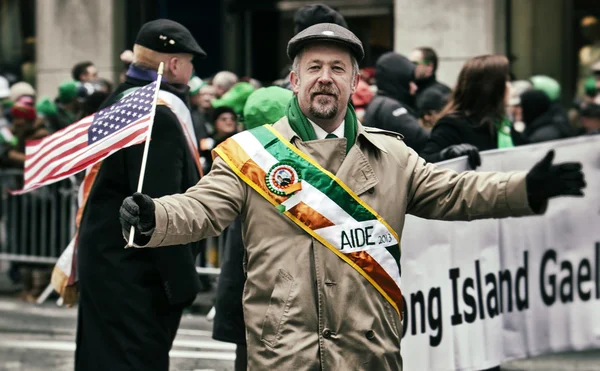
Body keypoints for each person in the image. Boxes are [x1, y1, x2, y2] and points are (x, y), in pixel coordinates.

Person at [119, 24, 586, 370]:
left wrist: (525, 188)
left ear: (354, 82)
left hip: (368, 352)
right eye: (314, 68)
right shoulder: (250, 155)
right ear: (294, 81)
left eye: (337, 69)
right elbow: (201, 208)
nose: (325, 77)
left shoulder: (393, 156)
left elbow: (456, 191)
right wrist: (154, 216)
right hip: (284, 352)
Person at [74, 19, 207, 371]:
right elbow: (157, 208)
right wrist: (181, 283)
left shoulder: (119, 100)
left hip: (106, 263)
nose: (193, 70)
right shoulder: (155, 114)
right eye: (190, 62)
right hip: (135, 275)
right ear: (175, 64)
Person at [420, 55, 517, 169]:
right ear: (491, 88)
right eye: (506, 81)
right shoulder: (452, 125)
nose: (510, 87)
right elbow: (425, 164)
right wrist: (447, 154)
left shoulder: (502, 125)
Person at [363, 51, 429, 152]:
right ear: (399, 81)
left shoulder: (380, 102)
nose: (414, 87)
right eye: (409, 81)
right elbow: (421, 139)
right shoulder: (391, 108)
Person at [409, 47, 451, 113]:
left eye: (415, 63)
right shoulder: (410, 91)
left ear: (429, 66)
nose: (410, 67)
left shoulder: (442, 93)